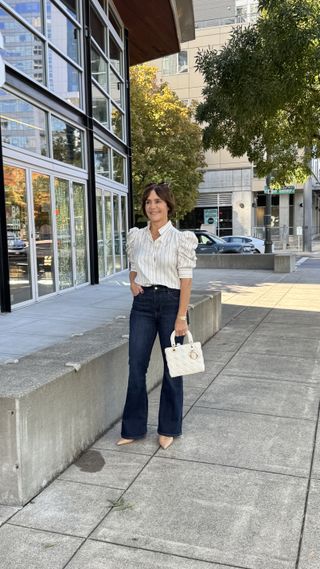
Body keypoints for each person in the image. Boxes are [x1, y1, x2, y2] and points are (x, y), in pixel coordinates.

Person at [117, 182, 198, 450]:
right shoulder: (136, 236)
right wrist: (132, 282)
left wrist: (181, 317)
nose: (152, 206)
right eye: (148, 202)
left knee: (174, 367)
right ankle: (133, 428)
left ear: (168, 205)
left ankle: (168, 428)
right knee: (136, 367)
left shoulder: (180, 239)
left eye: (158, 201)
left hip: (171, 303)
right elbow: (133, 266)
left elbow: (186, 281)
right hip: (142, 305)